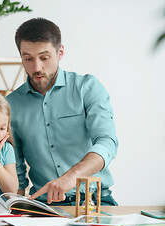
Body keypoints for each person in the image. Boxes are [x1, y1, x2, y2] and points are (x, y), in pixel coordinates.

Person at [6, 18, 118, 206]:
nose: (36, 68)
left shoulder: (88, 88)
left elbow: (107, 142)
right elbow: (16, 171)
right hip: (44, 207)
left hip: (96, 202)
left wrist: (70, 177)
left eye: (44, 57)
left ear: (60, 52)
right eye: (28, 58)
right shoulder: (10, 105)